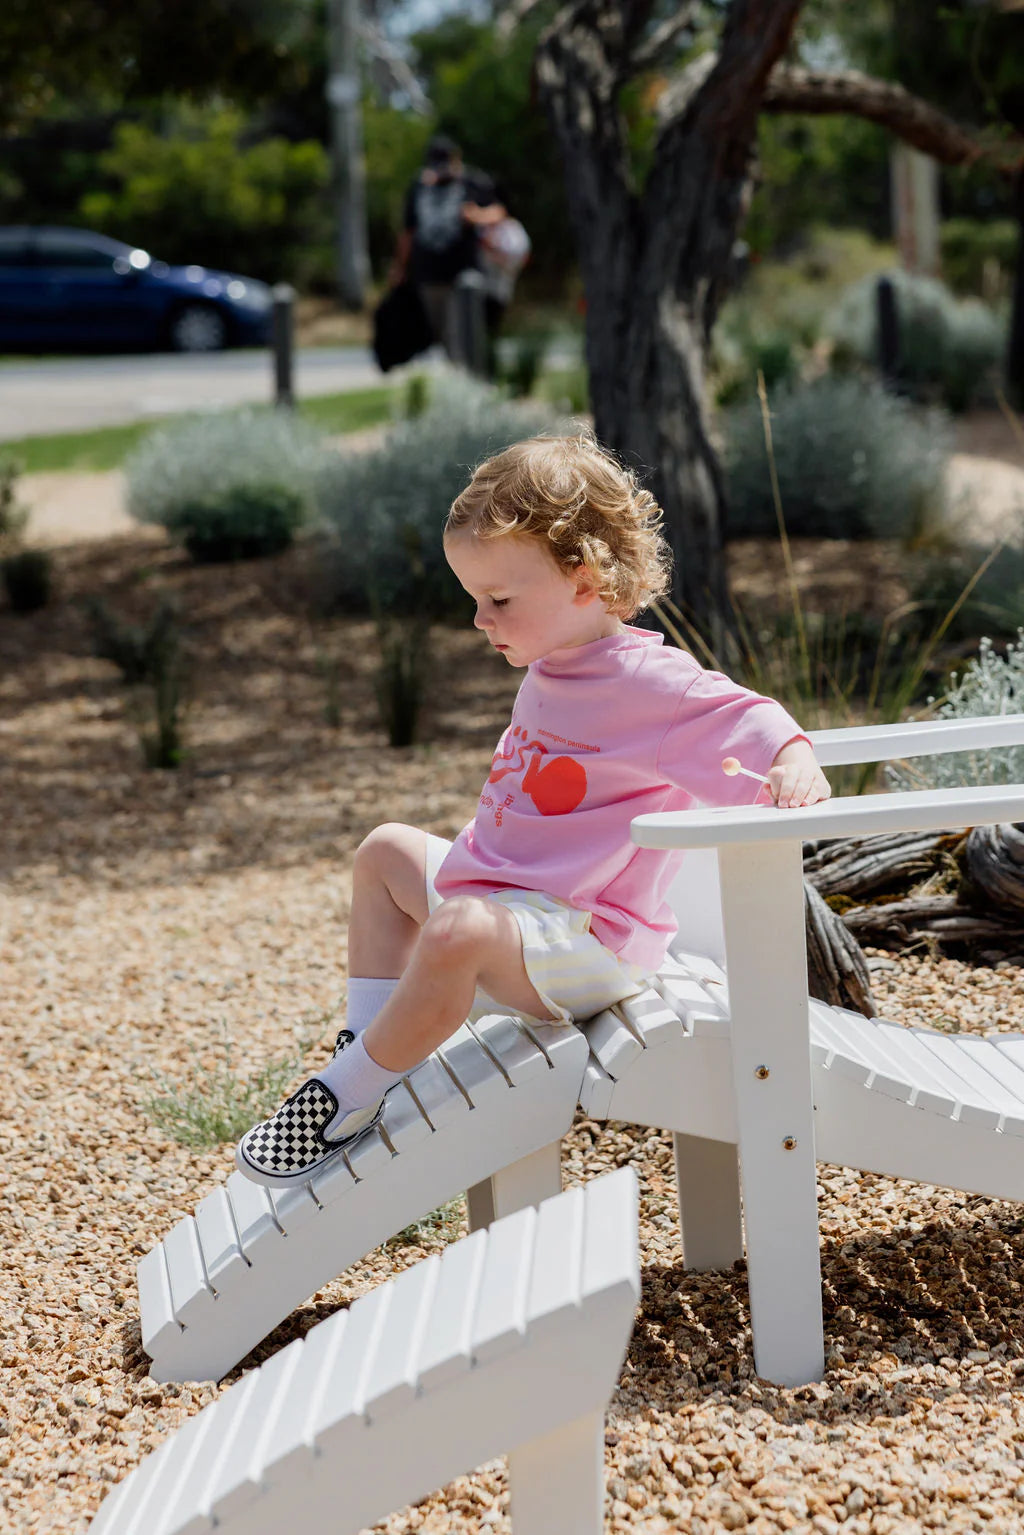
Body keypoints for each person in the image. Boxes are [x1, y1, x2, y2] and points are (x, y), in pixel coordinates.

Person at [236, 433, 831, 1188]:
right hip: (506, 908)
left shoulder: (652, 682)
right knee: (385, 852)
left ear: (583, 578)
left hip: (586, 939)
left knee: (454, 929)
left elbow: (747, 716)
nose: (481, 620)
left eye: (499, 600)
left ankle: (349, 1094)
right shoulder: (552, 662)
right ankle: (362, 1053)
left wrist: (792, 757)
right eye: (474, 600)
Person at [389, 134, 507, 373]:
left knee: (462, 327)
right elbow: (408, 232)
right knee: (440, 331)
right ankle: (458, 377)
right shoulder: (419, 186)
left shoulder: (472, 181)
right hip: (429, 272)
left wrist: (477, 216)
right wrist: (400, 268)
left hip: (464, 273)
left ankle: (469, 377)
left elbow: (499, 210)